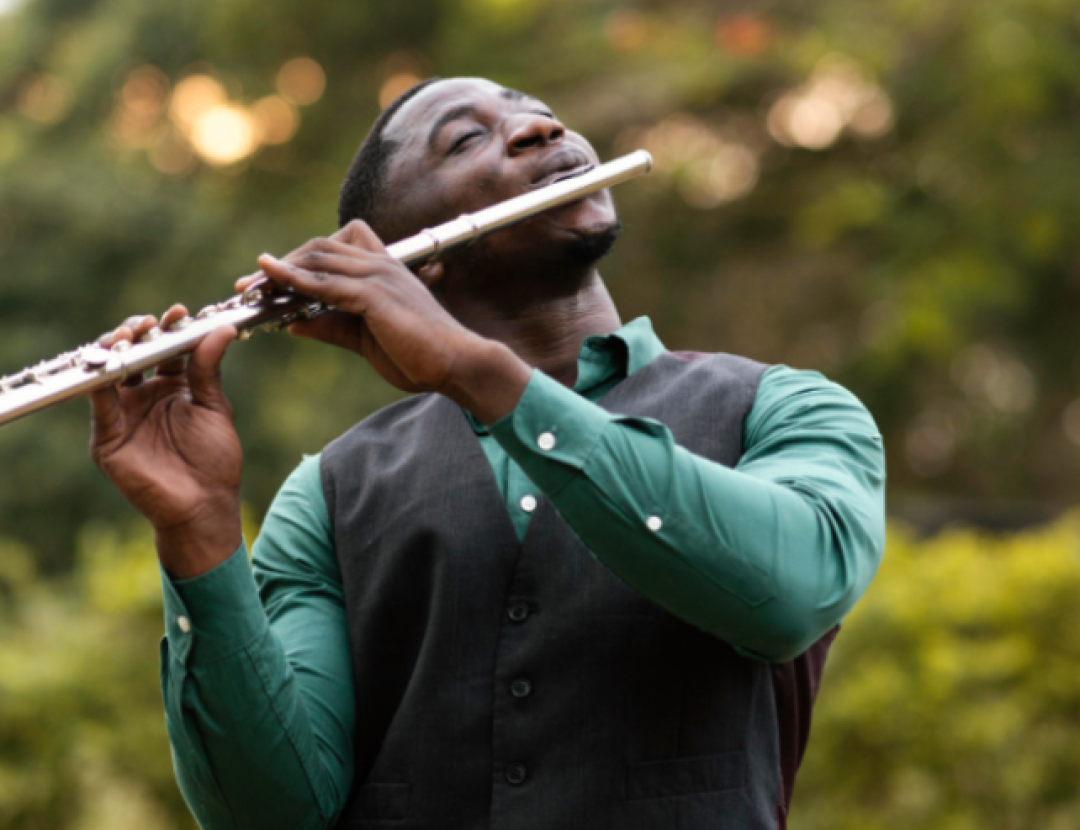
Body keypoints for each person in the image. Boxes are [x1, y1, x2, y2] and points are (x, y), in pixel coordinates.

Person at [90, 77, 885, 830]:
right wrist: (197, 532)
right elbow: (273, 814)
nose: (542, 128)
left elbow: (788, 594)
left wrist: (477, 372)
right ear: (408, 256)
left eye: (542, 115)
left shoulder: (786, 409)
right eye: (468, 139)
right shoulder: (328, 493)